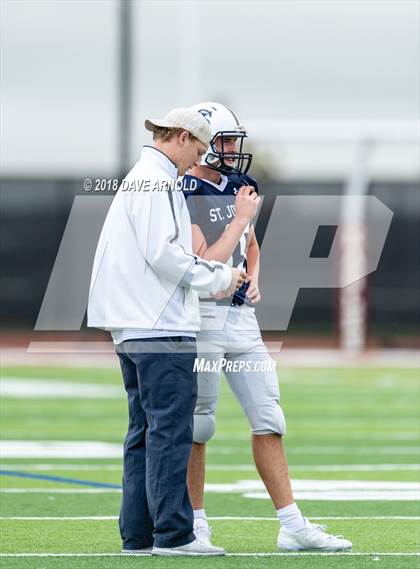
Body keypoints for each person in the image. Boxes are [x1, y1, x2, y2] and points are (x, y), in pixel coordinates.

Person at [183, 101, 353, 552]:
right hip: (202, 317)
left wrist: (254, 278)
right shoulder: (182, 192)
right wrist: (238, 220)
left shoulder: (239, 186)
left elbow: (250, 245)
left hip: (241, 319)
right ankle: (195, 524)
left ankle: (292, 525)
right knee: (199, 425)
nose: (232, 150)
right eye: (223, 142)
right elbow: (204, 258)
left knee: (269, 418)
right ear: (202, 145)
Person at [88, 107, 247, 557]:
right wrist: (219, 278)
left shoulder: (143, 176)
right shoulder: (157, 181)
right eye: (197, 148)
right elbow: (165, 254)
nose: (197, 158)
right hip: (157, 323)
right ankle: (174, 535)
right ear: (180, 137)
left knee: (143, 430)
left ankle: (137, 535)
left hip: (132, 324)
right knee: (169, 430)